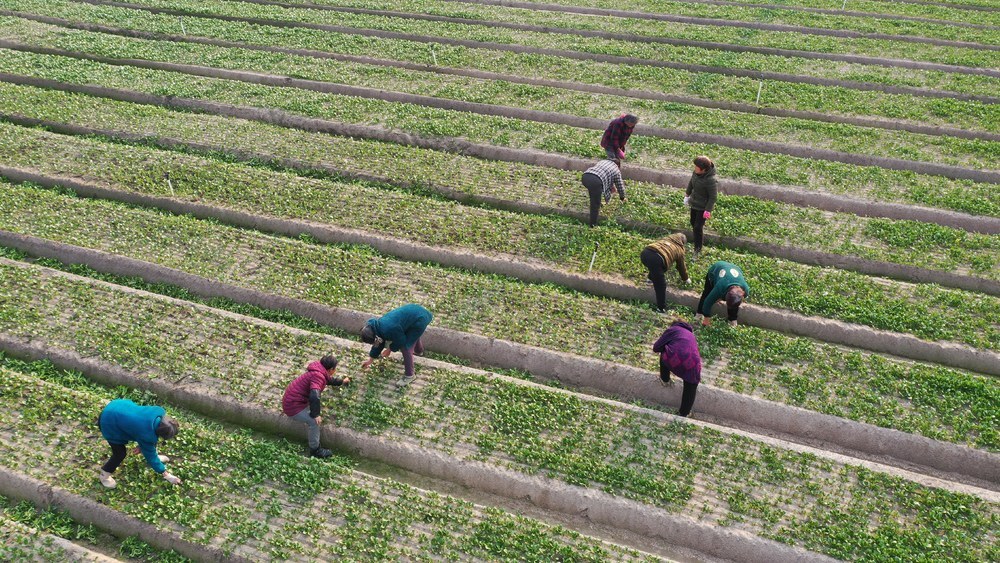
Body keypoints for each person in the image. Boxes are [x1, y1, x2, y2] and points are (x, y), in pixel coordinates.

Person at [97, 399, 181, 489]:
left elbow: (144, 430)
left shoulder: (157, 413)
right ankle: (104, 476)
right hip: (108, 422)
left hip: (118, 406)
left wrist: (141, 445)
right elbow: (151, 456)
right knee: (120, 454)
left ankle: (157, 457)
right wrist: (167, 475)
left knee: (147, 437)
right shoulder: (147, 436)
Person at [282, 355, 350, 458]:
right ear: (331, 369)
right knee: (314, 422)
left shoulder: (319, 370)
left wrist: (342, 381)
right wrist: (315, 415)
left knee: (314, 412)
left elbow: (328, 380)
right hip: (292, 406)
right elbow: (314, 395)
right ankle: (315, 450)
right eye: (335, 368)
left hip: (295, 400)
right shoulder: (318, 376)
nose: (335, 370)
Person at [361, 304, 433, 387]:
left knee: (406, 347)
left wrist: (389, 349)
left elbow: (400, 341)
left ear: (376, 338)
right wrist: (371, 360)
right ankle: (419, 351)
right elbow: (379, 343)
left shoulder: (388, 329)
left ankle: (410, 375)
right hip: (416, 314)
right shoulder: (377, 328)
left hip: (420, 319)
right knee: (412, 336)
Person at [652, 317, 702, 417]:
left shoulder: (673, 329)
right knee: (691, 384)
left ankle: (665, 379)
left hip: (674, 359)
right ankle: (684, 413)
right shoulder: (691, 335)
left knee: (664, 351)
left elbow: (656, 347)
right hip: (693, 363)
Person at [640, 233, 691, 313]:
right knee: (661, 285)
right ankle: (661, 308)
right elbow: (681, 267)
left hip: (645, 253)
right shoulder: (679, 249)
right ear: (682, 242)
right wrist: (686, 278)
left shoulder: (665, 239)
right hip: (657, 259)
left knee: (657, 268)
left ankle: (650, 279)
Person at [695, 261, 749, 327]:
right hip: (715, 269)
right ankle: (699, 314)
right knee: (706, 294)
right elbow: (707, 302)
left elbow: (735, 300)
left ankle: (732, 320)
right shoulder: (720, 287)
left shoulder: (745, 289)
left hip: (735, 269)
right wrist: (706, 319)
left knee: (734, 304)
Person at [684, 155, 717, 258]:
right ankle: (697, 240)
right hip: (694, 203)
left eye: (697, 167)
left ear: (703, 170)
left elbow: (713, 197)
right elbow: (691, 183)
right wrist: (687, 195)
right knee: (693, 223)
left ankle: (697, 249)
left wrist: (708, 210)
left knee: (698, 227)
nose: (695, 168)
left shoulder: (710, 180)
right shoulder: (696, 173)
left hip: (703, 207)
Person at [580, 159, 626, 227]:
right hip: (596, 181)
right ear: (618, 165)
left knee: (594, 192)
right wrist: (622, 197)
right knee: (595, 204)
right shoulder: (616, 170)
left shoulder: (603, 161)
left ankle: (595, 199)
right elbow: (620, 186)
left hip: (585, 176)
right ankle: (593, 225)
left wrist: (611, 186)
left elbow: (604, 175)